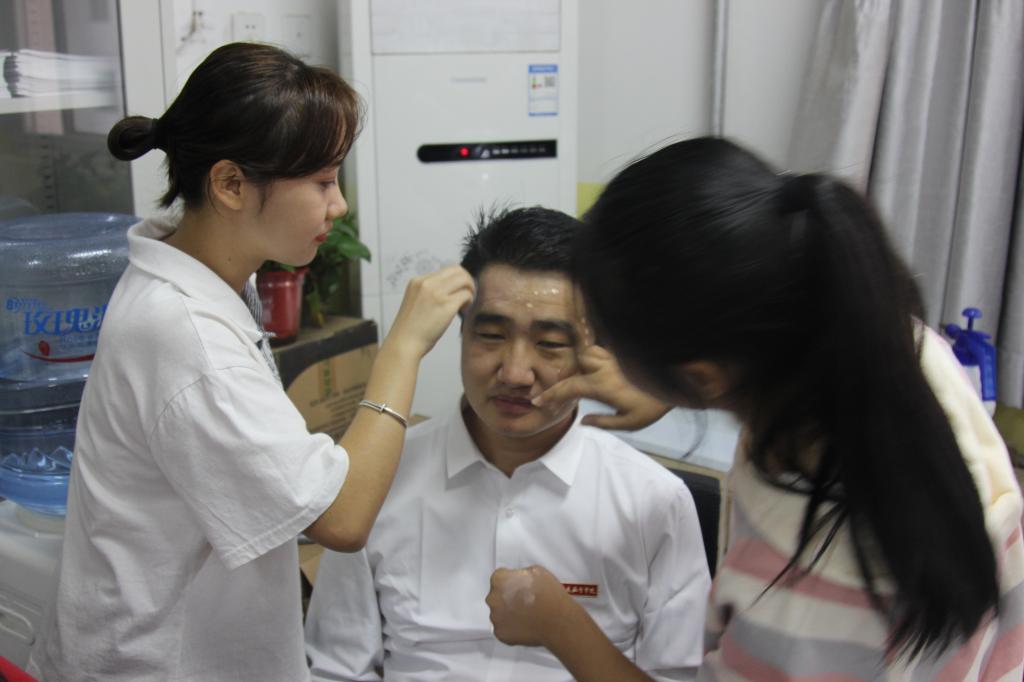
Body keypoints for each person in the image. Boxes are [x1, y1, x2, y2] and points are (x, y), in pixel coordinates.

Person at [485, 137, 1024, 679]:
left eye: (598, 341)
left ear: (705, 375)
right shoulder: (901, 355)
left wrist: (560, 626)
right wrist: (674, 390)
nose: (515, 372)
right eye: (488, 333)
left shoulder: (800, 601)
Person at [28, 43, 474, 682]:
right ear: (231, 184)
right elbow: (342, 518)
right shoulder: (186, 336)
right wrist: (403, 348)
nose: (339, 205)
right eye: (322, 182)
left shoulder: (204, 274)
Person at [304, 207, 712, 681]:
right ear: (459, 331)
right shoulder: (377, 482)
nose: (516, 373)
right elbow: (338, 669)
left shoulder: (653, 501)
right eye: (492, 335)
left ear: (599, 351)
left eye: (551, 343)